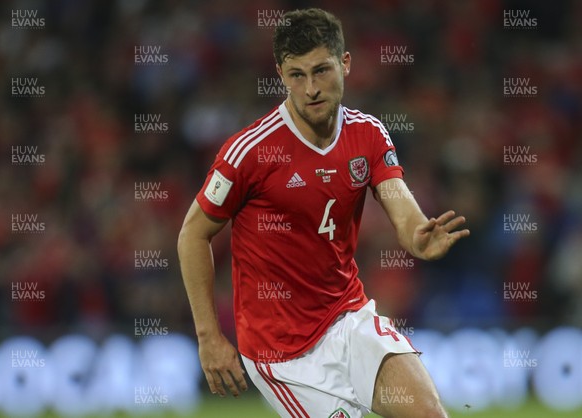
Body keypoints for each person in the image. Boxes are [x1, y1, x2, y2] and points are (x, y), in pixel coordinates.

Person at [178, 8, 469, 418]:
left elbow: (401, 206)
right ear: (281, 75)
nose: (311, 88)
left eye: (321, 70)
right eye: (297, 75)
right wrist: (208, 336)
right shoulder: (250, 152)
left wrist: (419, 234)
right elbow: (192, 234)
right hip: (284, 353)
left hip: (348, 318)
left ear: (345, 63)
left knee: (429, 413)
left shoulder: (367, 134)